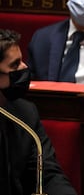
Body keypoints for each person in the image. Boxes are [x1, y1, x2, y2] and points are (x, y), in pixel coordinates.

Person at [0, 29, 76, 195]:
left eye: (22, 61)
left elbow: (46, 173)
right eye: (14, 65)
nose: (24, 68)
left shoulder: (24, 113)